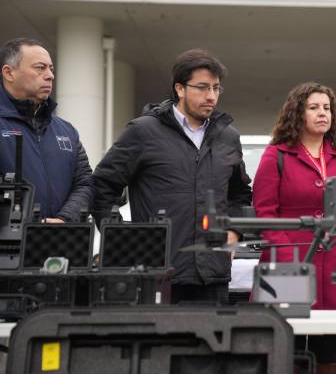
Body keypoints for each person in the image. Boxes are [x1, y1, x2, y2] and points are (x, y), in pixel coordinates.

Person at [93, 49, 252, 304]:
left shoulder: (228, 137)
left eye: (216, 88)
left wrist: (234, 232)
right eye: (202, 87)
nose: (211, 96)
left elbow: (239, 194)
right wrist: (122, 240)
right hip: (156, 275)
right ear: (180, 89)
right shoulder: (143, 131)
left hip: (212, 276)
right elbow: (102, 186)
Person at [252, 82, 336, 374]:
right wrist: (289, 261)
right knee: (287, 346)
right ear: (297, 113)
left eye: (327, 108)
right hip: (289, 261)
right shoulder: (277, 155)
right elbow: (265, 214)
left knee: (327, 351)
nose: (322, 113)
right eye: (314, 107)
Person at [0, 37, 93, 222]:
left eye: (51, 69)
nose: (50, 75)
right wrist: (27, 222)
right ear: (9, 73)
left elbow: (85, 183)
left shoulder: (67, 131)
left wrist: (65, 219)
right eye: (40, 68)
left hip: (58, 237)